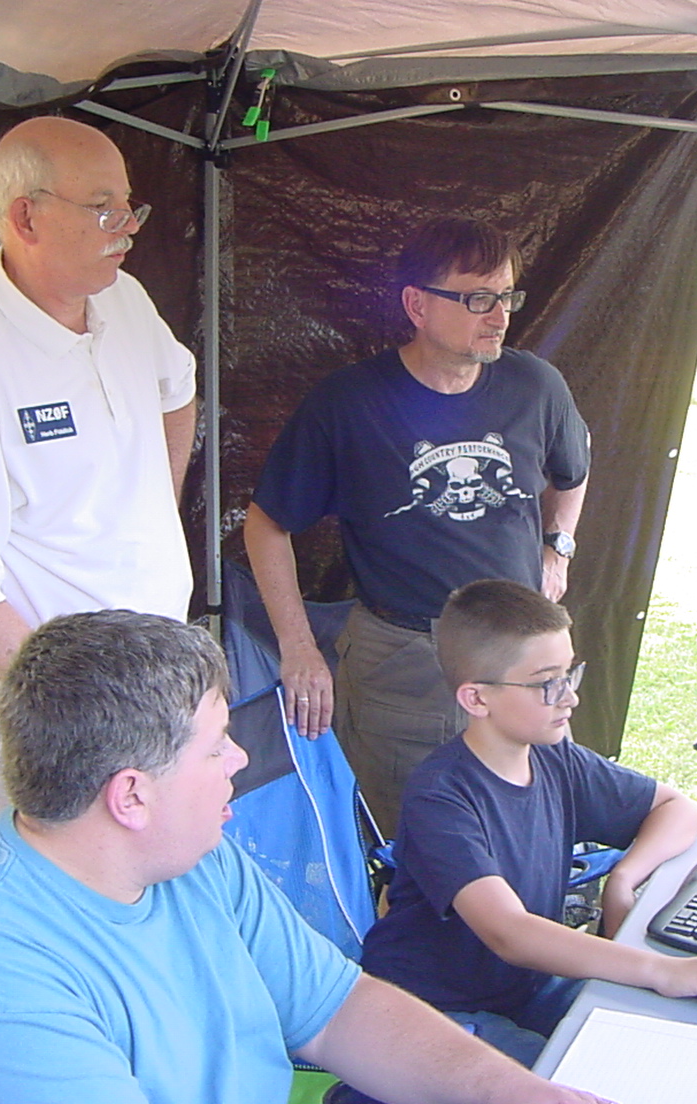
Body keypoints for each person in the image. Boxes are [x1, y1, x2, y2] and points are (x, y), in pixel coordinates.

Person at [0, 610, 607, 1104]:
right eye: (217, 745)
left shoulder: (190, 858)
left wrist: (521, 1094)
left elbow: (341, 1011)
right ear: (131, 796)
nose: (240, 760)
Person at [246, 217, 590, 836]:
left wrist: (557, 548)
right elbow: (267, 525)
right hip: (404, 660)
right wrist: (299, 648)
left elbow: (575, 470)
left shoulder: (536, 386)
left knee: (529, 825)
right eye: (478, 299)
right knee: (408, 841)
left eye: (506, 296)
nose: (499, 316)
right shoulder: (348, 403)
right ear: (417, 305)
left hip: (523, 654)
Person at [354, 579, 697, 1073]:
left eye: (570, 673)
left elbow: (677, 809)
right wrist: (664, 970)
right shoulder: (441, 796)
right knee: (586, 1078)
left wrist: (623, 878)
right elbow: (509, 932)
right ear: (477, 699)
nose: (570, 698)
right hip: (432, 1009)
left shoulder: (556, 759)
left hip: (527, 985)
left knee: (675, 1035)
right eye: (547, 683)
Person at [0, 116, 197, 816]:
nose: (127, 227)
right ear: (25, 218)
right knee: (71, 893)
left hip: (161, 693)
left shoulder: (123, 298)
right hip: (58, 732)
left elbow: (177, 392)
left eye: (129, 204)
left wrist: (155, 508)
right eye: (102, 207)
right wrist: (86, 703)